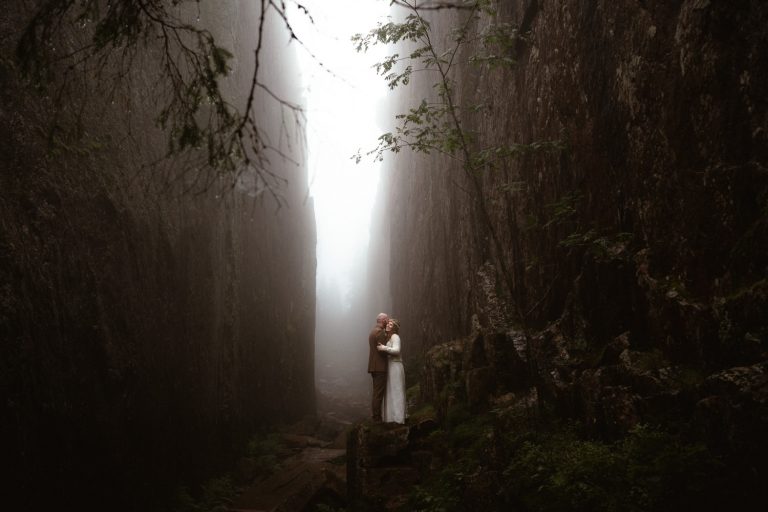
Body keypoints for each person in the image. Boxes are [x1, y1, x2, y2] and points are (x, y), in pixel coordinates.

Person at [378, 319, 406, 424]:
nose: (388, 325)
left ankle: (398, 418)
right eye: (388, 323)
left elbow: (397, 350)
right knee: (391, 391)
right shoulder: (390, 337)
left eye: (391, 324)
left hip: (395, 366)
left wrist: (384, 348)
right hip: (391, 366)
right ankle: (391, 417)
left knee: (396, 390)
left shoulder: (395, 337)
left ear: (394, 327)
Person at [368, 312, 389, 422]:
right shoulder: (380, 332)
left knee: (376, 392)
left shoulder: (372, 331)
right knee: (378, 393)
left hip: (373, 365)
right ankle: (377, 417)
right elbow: (382, 350)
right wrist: (390, 351)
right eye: (387, 319)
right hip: (380, 366)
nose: (388, 321)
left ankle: (375, 415)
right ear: (382, 320)